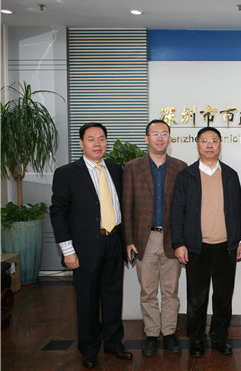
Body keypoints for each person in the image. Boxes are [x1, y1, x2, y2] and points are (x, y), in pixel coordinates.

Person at [50, 123, 133, 369]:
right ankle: (89, 349)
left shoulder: (116, 170)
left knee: (113, 296)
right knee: (87, 300)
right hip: (84, 247)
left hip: (114, 241)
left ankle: (114, 343)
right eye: (91, 139)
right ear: (81, 143)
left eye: (102, 139)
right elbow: (58, 212)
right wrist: (68, 250)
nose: (97, 144)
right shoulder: (67, 173)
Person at [171, 126, 241, 357]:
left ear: (220, 145)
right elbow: (177, 212)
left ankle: (220, 337)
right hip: (196, 246)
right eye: (204, 140)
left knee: (223, 297)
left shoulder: (230, 175)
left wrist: (239, 240)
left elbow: (239, 210)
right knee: (197, 298)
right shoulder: (186, 176)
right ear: (197, 145)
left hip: (226, 246)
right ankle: (196, 339)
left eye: (214, 140)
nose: (209, 145)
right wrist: (179, 243)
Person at [122, 119, 187, 356]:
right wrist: (129, 239)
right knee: (148, 291)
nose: (160, 138)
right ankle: (151, 333)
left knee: (170, 290)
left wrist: (182, 240)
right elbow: (127, 206)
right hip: (144, 238)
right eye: (155, 134)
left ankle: (169, 333)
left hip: (171, 237)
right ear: (146, 138)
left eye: (164, 133)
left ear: (170, 138)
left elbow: (185, 207)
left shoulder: (180, 167)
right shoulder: (132, 167)